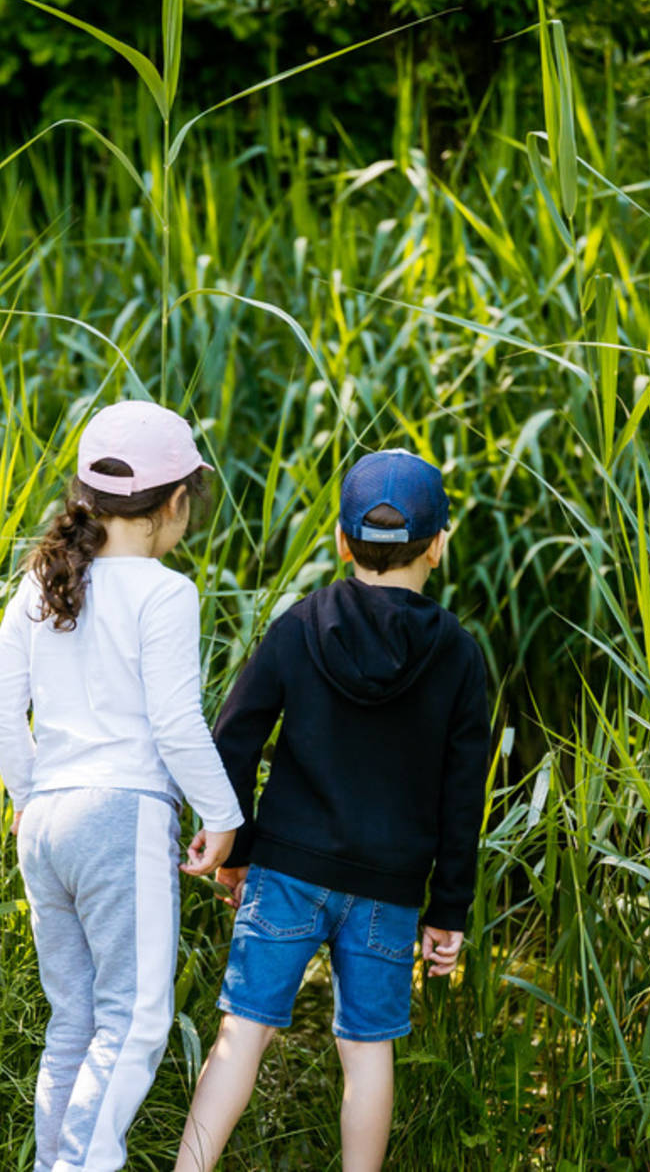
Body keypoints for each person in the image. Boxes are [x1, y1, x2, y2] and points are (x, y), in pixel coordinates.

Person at [174, 449, 491, 1172]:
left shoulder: (298, 626)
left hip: (285, 867)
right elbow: (461, 795)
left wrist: (241, 847)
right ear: (439, 543)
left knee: (241, 1032)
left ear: (342, 541)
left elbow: (233, 739)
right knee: (365, 1047)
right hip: (388, 889)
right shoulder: (458, 656)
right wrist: (448, 909)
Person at [0, 400, 243, 1172]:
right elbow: (173, 722)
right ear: (175, 502)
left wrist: (31, 796)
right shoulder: (165, 593)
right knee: (132, 1023)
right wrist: (222, 816)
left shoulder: (42, 579)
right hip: (120, 816)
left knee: (74, 1022)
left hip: (47, 822)